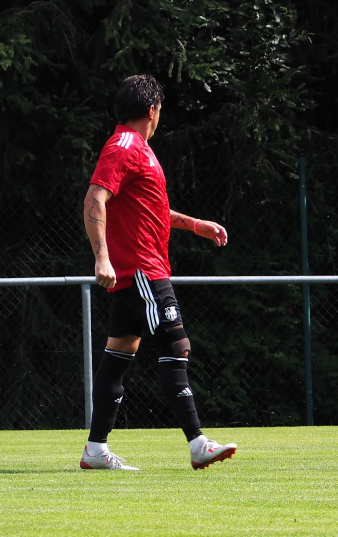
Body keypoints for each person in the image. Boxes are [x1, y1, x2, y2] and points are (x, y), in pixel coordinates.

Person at [80, 74, 236, 470]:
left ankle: (95, 450)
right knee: (176, 345)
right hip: (143, 271)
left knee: (118, 357)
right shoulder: (125, 146)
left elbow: (150, 210)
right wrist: (102, 258)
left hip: (138, 272)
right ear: (152, 109)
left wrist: (194, 224)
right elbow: (95, 197)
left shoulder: (139, 149)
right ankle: (198, 443)